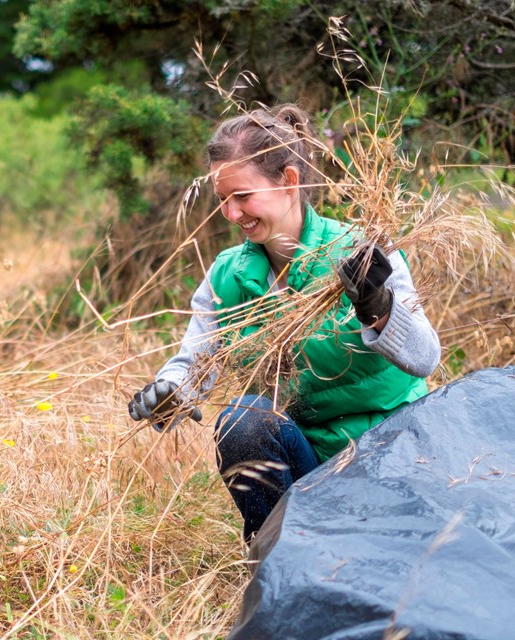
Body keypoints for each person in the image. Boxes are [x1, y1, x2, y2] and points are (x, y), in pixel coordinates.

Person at [128, 104, 441, 543]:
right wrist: (170, 393)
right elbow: (195, 362)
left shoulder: (360, 251)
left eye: (242, 196)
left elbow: (426, 358)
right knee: (243, 421)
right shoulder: (226, 276)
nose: (232, 214)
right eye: (222, 200)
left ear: (289, 181)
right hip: (310, 469)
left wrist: (379, 306)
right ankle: (281, 558)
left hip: (390, 463)